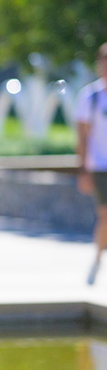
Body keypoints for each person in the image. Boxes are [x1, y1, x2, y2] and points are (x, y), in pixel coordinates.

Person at [75, 42, 107, 284]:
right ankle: (97, 259)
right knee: (105, 215)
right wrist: (83, 170)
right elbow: (82, 136)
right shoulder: (91, 96)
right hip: (100, 165)